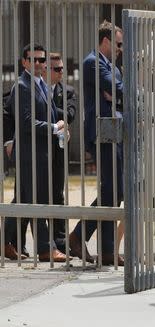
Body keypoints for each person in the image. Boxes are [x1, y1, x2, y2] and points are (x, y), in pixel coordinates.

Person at [3, 43, 69, 262]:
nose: (39, 64)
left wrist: (59, 129)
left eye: (42, 60)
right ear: (24, 62)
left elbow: (49, 114)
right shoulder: (22, 86)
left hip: (42, 153)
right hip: (29, 155)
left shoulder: (41, 84)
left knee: (24, 200)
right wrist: (53, 127)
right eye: (34, 60)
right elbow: (26, 122)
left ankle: (3, 241)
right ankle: (44, 248)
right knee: (37, 200)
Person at [69, 20, 124, 266]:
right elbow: (119, 88)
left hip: (114, 130)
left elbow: (118, 91)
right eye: (119, 44)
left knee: (114, 190)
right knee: (113, 188)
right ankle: (79, 235)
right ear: (106, 41)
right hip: (102, 132)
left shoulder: (110, 66)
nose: (121, 49)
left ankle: (108, 249)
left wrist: (116, 91)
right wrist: (115, 90)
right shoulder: (92, 62)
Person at [48, 53, 77, 253]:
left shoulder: (67, 91)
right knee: (28, 195)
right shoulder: (33, 89)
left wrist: (44, 109)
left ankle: (59, 241)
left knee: (57, 193)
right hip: (36, 148)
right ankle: (14, 241)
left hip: (58, 150)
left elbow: (70, 114)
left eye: (61, 69)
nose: (61, 72)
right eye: (56, 69)